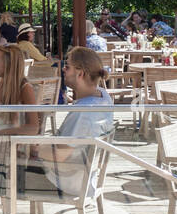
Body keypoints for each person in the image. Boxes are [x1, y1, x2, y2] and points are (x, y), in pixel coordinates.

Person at [28, 47, 114, 196]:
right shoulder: (104, 97)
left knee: (3, 173)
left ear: (80, 73)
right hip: (84, 177)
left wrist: (31, 148)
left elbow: (61, 155)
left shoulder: (84, 112)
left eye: (67, 67)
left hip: (64, 183)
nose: (63, 70)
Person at [0, 44, 40, 136]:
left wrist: (2, 132)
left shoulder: (25, 88)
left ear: (9, 64)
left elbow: (34, 128)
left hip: (12, 145)